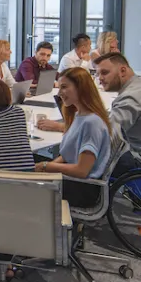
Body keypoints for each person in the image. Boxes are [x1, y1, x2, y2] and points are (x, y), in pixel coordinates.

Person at [33, 67, 114, 208]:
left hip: (81, 188)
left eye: (64, 87)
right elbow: (66, 155)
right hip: (74, 180)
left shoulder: (91, 123)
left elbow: (81, 171)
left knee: (22, 176)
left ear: (80, 88)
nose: (59, 93)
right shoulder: (80, 115)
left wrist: (46, 166)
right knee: (25, 161)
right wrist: (47, 168)